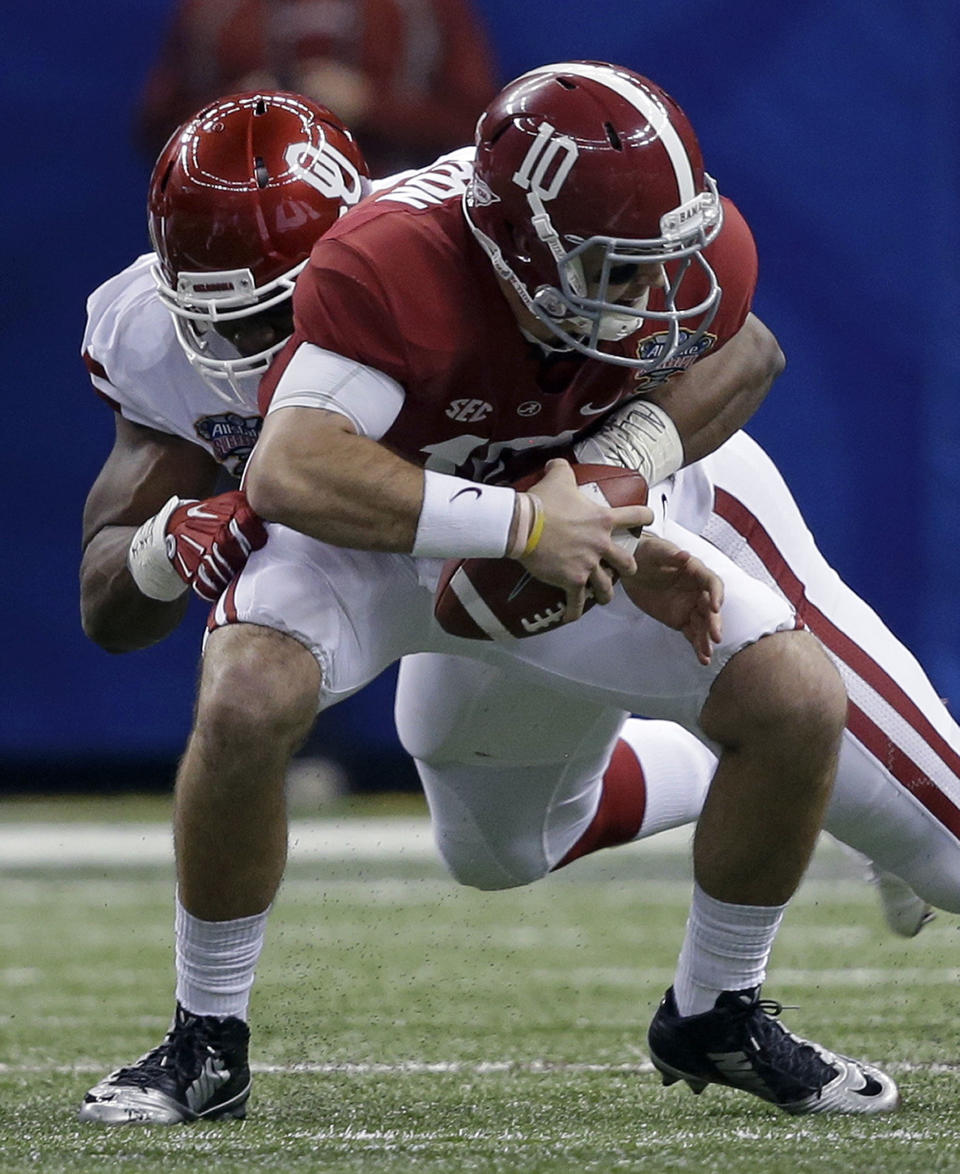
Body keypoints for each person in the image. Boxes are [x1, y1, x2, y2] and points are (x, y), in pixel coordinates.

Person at [76, 65, 938, 1126]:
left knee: (825, 723)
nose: (279, 348)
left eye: (295, 308)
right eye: (251, 324)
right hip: (388, 528)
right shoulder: (210, 329)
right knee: (481, 842)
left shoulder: (481, 252)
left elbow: (742, 350)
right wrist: (166, 545)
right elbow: (160, 565)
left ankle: (730, 985)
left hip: (576, 497)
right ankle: (204, 1039)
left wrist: (615, 491)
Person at [135, 0, 499, 176]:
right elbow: (158, 133)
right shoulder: (215, 12)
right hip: (245, 231)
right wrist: (232, 112)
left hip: (393, 218)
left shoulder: (425, 10)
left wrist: (372, 105)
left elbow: (483, 132)